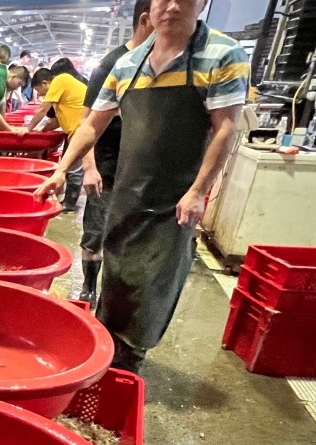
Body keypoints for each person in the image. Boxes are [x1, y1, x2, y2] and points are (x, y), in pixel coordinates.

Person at [35, 0, 249, 372]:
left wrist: (198, 190)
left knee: (150, 295)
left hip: (175, 204)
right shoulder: (128, 64)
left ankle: (128, 365)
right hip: (128, 195)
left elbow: (226, 127)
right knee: (116, 285)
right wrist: (61, 169)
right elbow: (91, 125)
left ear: (202, 3)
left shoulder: (222, 55)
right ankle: (108, 363)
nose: (171, 6)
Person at [77, 0, 154, 307]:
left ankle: (115, 295)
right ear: (146, 21)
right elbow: (87, 123)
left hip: (138, 173)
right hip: (107, 169)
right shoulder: (113, 63)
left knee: (128, 239)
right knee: (96, 230)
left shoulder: (157, 63)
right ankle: (88, 286)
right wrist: (89, 167)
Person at [26, 63, 88, 212]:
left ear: (45, 83)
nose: (39, 95)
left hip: (80, 131)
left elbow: (42, 109)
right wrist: (43, 130)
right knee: (69, 167)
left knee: (74, 169)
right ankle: (68, 200)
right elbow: (59, 120)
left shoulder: (60, 80)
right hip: (74, 131)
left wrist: (28, 129)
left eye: (38, 90)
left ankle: (70, 203)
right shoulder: (64, 90)